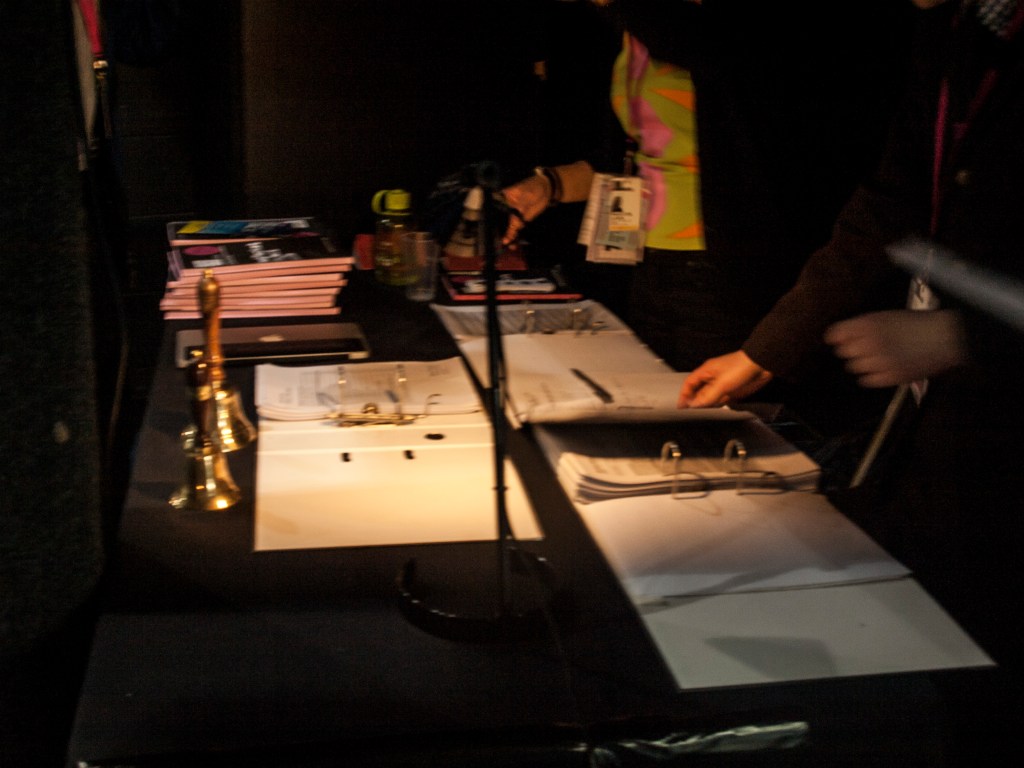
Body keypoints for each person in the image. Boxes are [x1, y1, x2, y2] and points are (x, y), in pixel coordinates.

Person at [679, 0, 1024, 749]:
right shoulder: (951, 28)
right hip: (953, 444)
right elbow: (888, 202)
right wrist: (766, 350)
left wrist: (965, 336)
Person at [503, 0, 915, 393]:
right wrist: (550, 186)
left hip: (723, 267)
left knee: (707, 418)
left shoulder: (714, 25)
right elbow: (636, 155)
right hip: (648, 263)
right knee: (650, 409)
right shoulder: (634, 27)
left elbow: (710, 54)